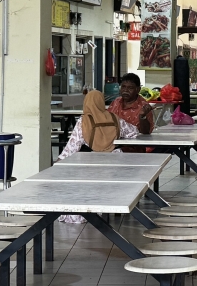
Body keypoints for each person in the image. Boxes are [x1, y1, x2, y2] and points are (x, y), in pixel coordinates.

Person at [57, 90, 140, 223]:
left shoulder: (83, 121)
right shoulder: (114, 118)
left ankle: (83, 215)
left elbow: (72, 148)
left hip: (90, 164)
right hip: (115, 163)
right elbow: (134, 132)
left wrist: (57, 162)